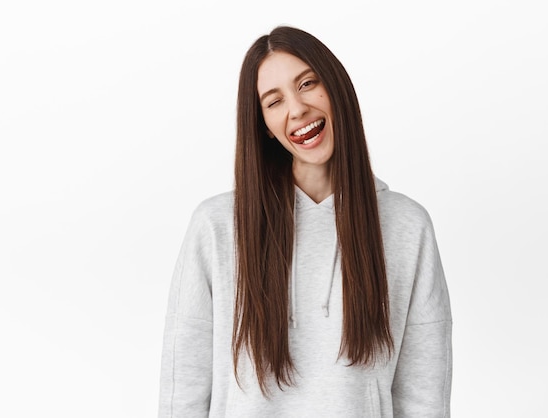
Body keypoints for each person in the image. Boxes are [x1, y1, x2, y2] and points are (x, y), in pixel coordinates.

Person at [158, 26, 452, 417]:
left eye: (308, 83)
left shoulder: (406, 227)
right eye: (274, 101)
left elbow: (424, 395)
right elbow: (184, 389)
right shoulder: (217, 227)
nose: (296, 109)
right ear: (264, 125)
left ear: (336, 87)